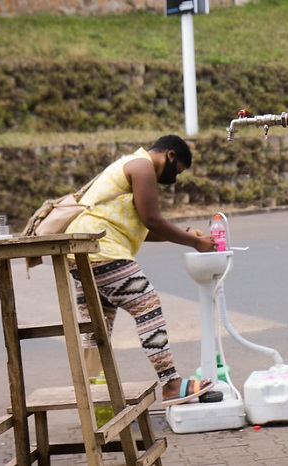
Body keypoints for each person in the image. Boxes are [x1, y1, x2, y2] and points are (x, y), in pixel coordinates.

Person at [65, 134, 218, 407]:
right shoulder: (143, 165)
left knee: (97, 325)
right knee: (147, 305)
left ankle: (95, 397)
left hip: (80, 250)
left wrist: (184, 235)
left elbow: (143, 229)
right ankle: (171, 384)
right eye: (178, 170)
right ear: (170, 155)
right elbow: (152, 220)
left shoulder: (129, 165)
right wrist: (195, 242)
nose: (174, 178)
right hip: (103, 250)